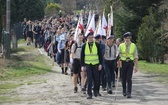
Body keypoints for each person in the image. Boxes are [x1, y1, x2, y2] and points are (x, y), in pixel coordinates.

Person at [81, 32, 102, 99]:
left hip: (95, 64)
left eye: (92, 37)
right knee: (89, 79)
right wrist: (82, 66)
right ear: (87, 38)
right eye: (89, 37)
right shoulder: (84, 46)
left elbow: (100, 55)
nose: (90, 39)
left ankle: (95, 90)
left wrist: (100, 64)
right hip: (88, 64)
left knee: (96, 79)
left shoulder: (97, 45)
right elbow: (82, 56)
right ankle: (89, 93)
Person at [118, 32, 138, 98]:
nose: (127, 39)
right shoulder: (121, 45)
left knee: (129, 78)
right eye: (126, 38)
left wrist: (136, 66)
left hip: (130, 63)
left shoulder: (133, 45)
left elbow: (135, 56)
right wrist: (118, 61)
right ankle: (124, 90)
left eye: (128, 38)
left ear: (130, 38)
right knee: (123, 79)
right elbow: (118, 54)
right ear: (124, 39)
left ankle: (129, 93)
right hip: (123, 63)